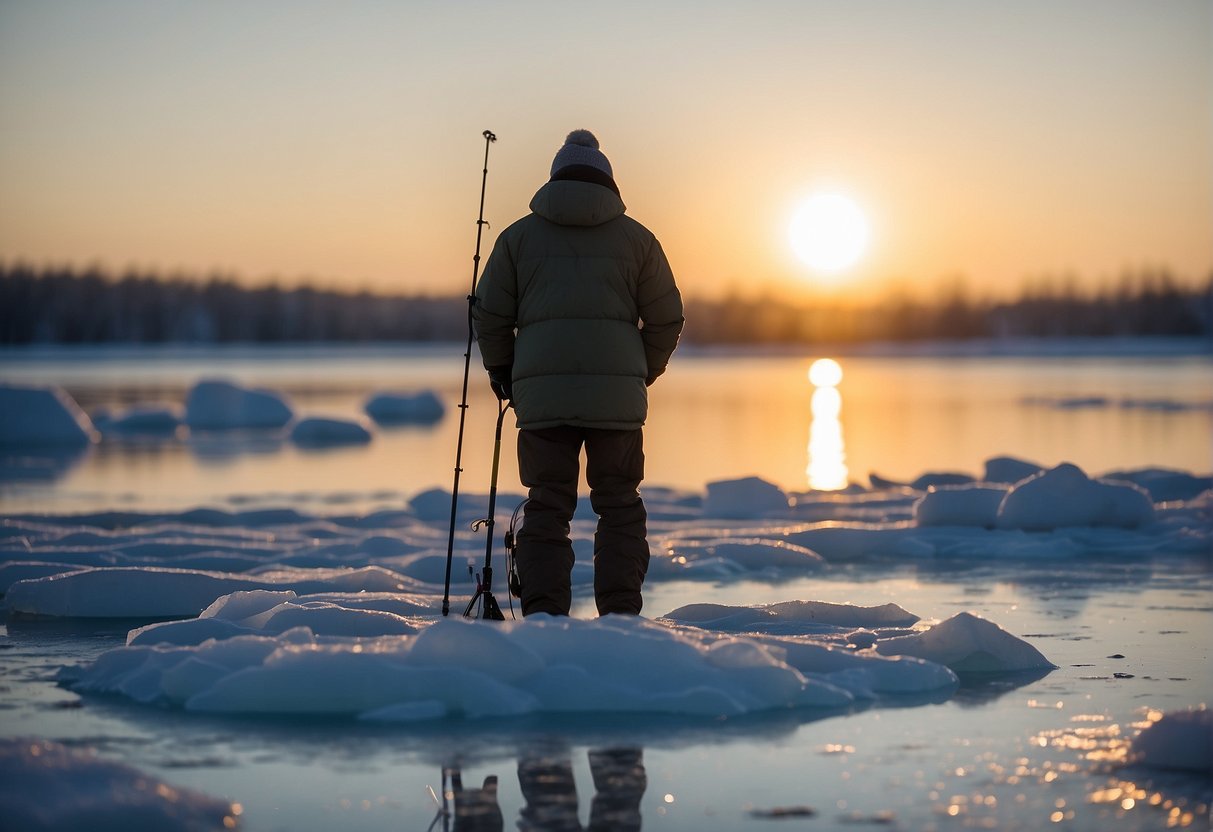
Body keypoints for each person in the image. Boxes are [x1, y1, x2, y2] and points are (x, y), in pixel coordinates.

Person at [473, 129, 683, 617]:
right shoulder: (639, 241)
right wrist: (638, 373)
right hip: (617, 406)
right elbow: (668, 317)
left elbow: (489, 315)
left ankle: (545, 620)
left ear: (554, 179)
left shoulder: (517, 239)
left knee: (546, 507)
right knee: (620, 507)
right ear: (607, 182)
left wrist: (504, 371)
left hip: (543, 402)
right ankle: (621, 618)